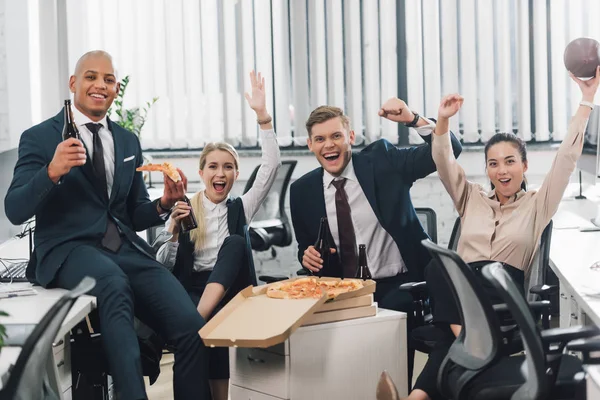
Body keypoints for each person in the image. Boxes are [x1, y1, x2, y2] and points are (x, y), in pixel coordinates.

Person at [4, 50, 212, 400]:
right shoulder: (40, 138)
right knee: (113, 283)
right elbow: (14, 209)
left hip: (124, 249)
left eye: (109, 79)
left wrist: (163, 203)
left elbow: (130, 213)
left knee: (191, 327)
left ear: (116, 89)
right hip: (69, 251)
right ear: (74, 83)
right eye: (91, 76)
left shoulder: (127, 141)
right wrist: (51, 172)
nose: (100, 84)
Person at [405, 67, 600, 400]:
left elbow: (567, 156)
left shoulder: (538, 204)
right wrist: (441, 120)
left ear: (524, 166)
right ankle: (470, 341)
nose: (501, 170)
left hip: (501, 296)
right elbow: (443, 159)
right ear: (487, 170)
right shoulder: (470, 197)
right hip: (462, 297)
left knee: (448, 328)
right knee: (438, 265)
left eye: (510, 161)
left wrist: (587, 99)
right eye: (493, 163)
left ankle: (427, 384)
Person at [289, 101, 462, 383]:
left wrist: (413, 119)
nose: (328, 145)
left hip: (400, 283)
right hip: (343, 291)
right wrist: (305, 256)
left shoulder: (382, 161)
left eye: (336, 136)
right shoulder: (302, 191)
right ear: (310, 144)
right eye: (320, 139)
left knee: (388, 330)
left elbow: (449, 149)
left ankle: (396, 388)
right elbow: (304, 248)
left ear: (351, 137)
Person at [155, 70, 280, 400]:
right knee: (203, 342)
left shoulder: (242, 206)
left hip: (231, 291)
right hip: (193, 289)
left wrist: (263, 117)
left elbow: (270, 168)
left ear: (236, 174)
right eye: (213, 166)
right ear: (202, 172)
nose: (220, 172)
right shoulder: (185, 205)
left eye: (227, 167)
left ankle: (195, 322)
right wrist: (173, 231)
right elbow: (163, 264)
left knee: (236, 242)